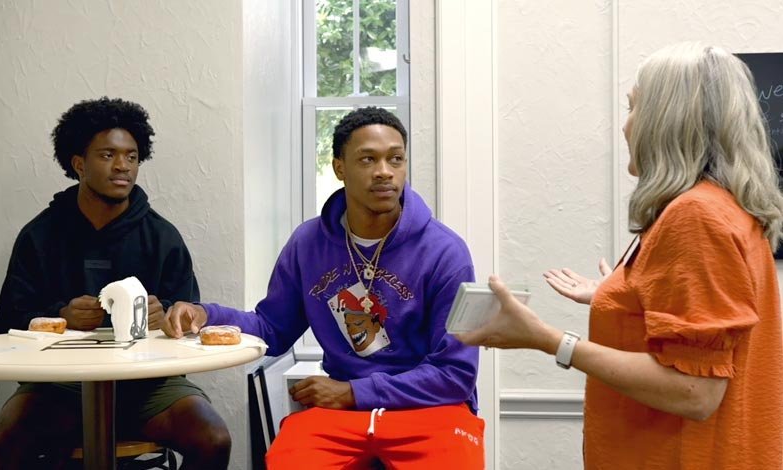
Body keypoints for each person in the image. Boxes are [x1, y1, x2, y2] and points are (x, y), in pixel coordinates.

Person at [456, 42, 783, 469]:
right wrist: (622, 296)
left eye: (633, 109)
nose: (626, 127)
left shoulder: (696, 215)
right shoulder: (725, 205)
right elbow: (705, 323)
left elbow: (695, 392)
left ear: (666, 120)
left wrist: (548, 340)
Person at [163, 107, 485, 469]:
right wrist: (207, 314)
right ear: (339, 168)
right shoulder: (309, 242)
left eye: (396, 159)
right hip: (343, 415)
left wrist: (353, 392)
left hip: (429, 410)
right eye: (368, 159)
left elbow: (455, 374)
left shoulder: (445, 252)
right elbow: (272, 328)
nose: (384, 171)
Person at [0, 97, 232, 469]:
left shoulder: (161, 236)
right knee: (7, 439)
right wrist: (61, 317)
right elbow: (5, 322)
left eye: (132, 157)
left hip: (149, 387)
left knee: (213, 439)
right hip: (59, 386)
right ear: (78, 164)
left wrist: (165, 316)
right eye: (107, 155)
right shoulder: (40, 235)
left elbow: (191, 320)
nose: (122, 166)